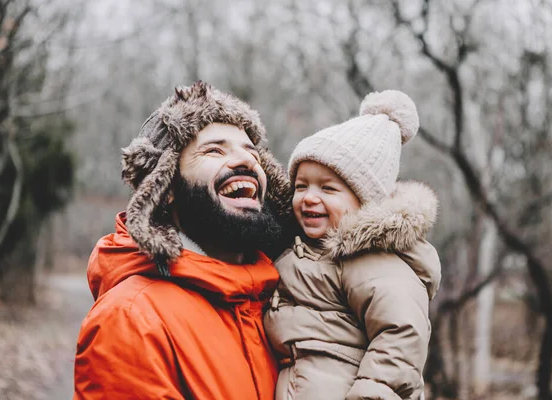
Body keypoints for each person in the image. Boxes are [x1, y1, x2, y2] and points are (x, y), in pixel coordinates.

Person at [74, 81, 293, 400]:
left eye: (252, 153)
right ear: (166, 187)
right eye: (215, 150)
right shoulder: (131, 319)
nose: (246, 162)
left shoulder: (281, 302)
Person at [264, 90, 442, 400]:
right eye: (301, 185)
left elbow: (401, 333)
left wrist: (371, 394)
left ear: (363, 201)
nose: (309, 197)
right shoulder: (303, 251)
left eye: (328, 188)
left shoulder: (370, 258)